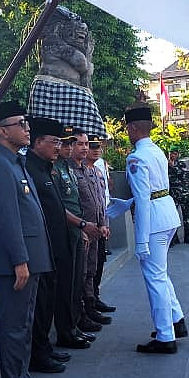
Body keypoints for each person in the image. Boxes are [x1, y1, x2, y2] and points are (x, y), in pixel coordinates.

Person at [0, 101, 55, 378]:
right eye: (20, 123)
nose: (26, 129)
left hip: (29, 256)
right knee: (13, 326)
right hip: (17, 261)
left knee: (24, 324)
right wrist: (19, 260)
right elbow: (6, 217)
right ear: (2, 130)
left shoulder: (14, 161)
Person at [123, 105, 186, 353]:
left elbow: (143, 197)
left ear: (134, 127)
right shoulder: (156, 150)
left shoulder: (136, 157)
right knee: (161, 273)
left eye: (128, 128)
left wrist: (140, 241)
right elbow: (154, 190)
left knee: (155, 278)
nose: (127, 132)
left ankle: (165, 336)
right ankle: (175, 320)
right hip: (166, 214)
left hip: (153, 221)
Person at [25, 117, 78, 373]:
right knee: (42, 303)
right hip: (42, 248)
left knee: (50, 300)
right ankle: (39, 352)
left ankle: (45, 348)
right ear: (37, 142)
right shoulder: (30, 169)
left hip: (57, 244)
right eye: (54, 142)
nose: (59, 147)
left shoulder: (46, 168)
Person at [70, 131, 110, 326]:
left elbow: (99, 201)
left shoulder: (90, 170)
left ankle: (90, 305)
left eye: (87, 144)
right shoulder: (69, 171)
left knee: (92, 269)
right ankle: (82, 313)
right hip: (82, 229)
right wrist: (82, 228)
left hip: (95, 228)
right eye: (80, 144)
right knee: (82, 272)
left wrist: (103, 224)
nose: (85, 148)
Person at [87, 135, 115, 311]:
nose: (96, 149)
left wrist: (104, 223)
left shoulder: (98, 168)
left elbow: (100, 198)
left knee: (98, 262)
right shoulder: (80, 169)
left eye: (98, 147)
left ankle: (94, 297)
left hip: (101, 220)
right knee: (87, 269)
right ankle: (88, 304)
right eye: (92, 146)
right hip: (87, 225)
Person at [167, 148, 189, 244]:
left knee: (187, 215)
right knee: (173, 217)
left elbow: (181, 174)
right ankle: (174, 238)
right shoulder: (165, 165)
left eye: (174, 154)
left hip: (183, 193)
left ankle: (187, 236)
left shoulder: (181, 164)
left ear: (177, 154)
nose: (172, 156)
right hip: (172, 193)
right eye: (170, 154)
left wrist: (173, 166)